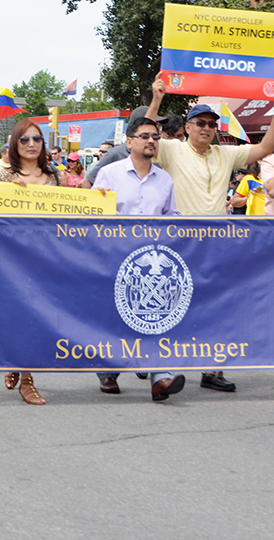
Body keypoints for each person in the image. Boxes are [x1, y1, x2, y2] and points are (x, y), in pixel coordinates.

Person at [150, 73, 274, 392]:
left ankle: (211, 371)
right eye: (200, 123)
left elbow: (267, 146)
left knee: (217, 306)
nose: (206, 128)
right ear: (186, 127)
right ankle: (163, 370)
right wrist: (157, 99)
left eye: (211, 124)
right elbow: (147, 136)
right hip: (180, 241)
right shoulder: (171, 150)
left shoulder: (225, 153)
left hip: (217, 244)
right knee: (175, 305)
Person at [92, 116, 184, 401]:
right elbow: (93, 214)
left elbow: (172, 217)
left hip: (151, 262)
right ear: (129, 141)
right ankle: (108, 372)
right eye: (145, 136)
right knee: (116, 317)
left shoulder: (165, 178)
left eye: (155, 137)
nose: (151, 141)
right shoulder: (109, 174)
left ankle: (161, 378)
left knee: (157, 315)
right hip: (116, 258)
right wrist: (100, 201)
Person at [0, 120, 68, 405]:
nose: (31, 144)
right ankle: (27, 379)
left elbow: (71, 212)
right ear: (15, 144)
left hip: (48, 257)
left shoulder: (55, 176)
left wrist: (93, 199)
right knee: (23, 315)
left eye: (36, 139)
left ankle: (16, 361)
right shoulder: (4, 178)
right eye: (24, 140)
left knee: (39, 318)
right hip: (14, 259)